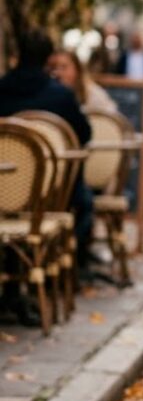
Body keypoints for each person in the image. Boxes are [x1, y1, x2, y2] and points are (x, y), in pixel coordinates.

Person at [0, 28, 93, 323]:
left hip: (2, 194)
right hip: (48, 200)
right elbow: (84, 134)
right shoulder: (60, 96)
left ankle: (13, 288)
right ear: (48, 59)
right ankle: (57, 274)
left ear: (17, 54)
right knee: (84, 202)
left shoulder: (1, 89)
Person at [49, 49, 118, 113]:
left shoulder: (93, 93)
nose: (58, 73)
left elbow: (112, 119)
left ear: (77, 69)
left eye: (64, 67)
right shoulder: (51, 94)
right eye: (54, 68)